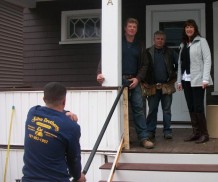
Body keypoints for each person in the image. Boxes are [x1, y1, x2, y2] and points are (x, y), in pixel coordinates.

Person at [96, 18, 154, 149]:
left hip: (134, 80)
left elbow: (145, 64)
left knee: (139, 110)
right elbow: (105, 57)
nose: (132, 28)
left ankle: (144, 138)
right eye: (130, 26)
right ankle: (123, 139)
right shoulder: (117, 42)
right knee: (120, 110)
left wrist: (138, 78)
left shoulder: (140, 45)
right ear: (125, 28)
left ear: (136, 29)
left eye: (134, 26)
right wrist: (99, 72)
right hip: (119, 81)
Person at [22, 82, 86, 182]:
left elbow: (51, 113)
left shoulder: (32, 113)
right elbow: (73, 159)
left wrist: (65, 112)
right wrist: (78, 176)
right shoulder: (71, 127)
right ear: (64, 101)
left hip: (29, 179)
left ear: (44, 99)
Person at [177, 19, 213, 144]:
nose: (189, 29)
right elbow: (180, 64)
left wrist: (205, 78)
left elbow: (207, 60)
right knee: (191, 106)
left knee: (198, 107)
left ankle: (204, 134)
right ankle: (196, 133)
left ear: (195, 29)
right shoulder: (183, 44)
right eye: (187, 27)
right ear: (184, 30)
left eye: (191, 27)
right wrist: (179, 81)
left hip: (198, 80)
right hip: (186, 79)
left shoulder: (201, 41)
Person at [142, 30, 178, 140]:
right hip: (152, 86)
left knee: (167, 110)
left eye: (162, 39)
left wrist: (174, 74)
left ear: (164, 40)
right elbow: (142, 67)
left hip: (166, 85)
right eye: (158, 38)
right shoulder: (147, 52)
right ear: (154, 39)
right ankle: (150, 131)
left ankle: (167, 131)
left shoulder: (170, 52)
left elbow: (179, 64)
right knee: (152, 110)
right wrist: (143, 81)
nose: (160, 41)